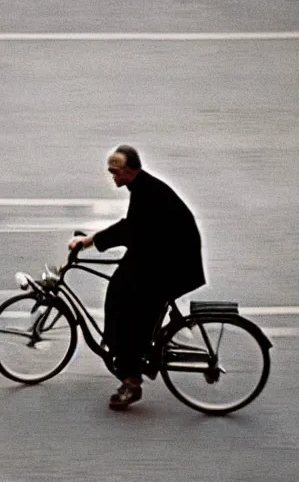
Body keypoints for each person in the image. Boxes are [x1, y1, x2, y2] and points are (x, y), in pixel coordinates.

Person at [68, 145, 206, 409]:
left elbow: (131, 230)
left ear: (130, 171)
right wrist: (94, 241)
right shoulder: (143, 188)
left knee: (129, 311)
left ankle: (132, 381)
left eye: (116, 172)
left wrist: (89, 241)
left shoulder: (147, 192)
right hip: (162, 254)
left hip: (172, 263)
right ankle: (130, 352)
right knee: (120, 290)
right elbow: (137, 230)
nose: (113, 177)